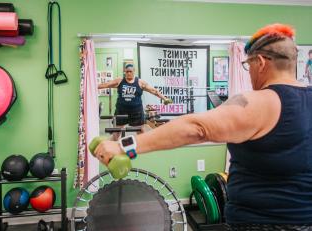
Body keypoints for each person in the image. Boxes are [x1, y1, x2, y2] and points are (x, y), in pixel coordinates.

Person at [94, 24, 312, 230]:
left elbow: (197, 128)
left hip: (261, 224)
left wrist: (123, 147)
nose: (249, 72)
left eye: (249, 65)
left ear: (261, 62)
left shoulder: (261, 102)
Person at [98, 64, 172, 140]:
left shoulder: (140, 82)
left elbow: (154, 91)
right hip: (121, 111)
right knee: (116, 132)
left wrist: (164, 99)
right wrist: (91, 86)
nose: (128, 73)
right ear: (124, 72)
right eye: (127, 71)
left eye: (130, 71)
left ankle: (142, 148)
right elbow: (105, 85)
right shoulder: (119, 81)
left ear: (134, 71)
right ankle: (112, 148)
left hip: (136, 112)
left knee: (141, 132)